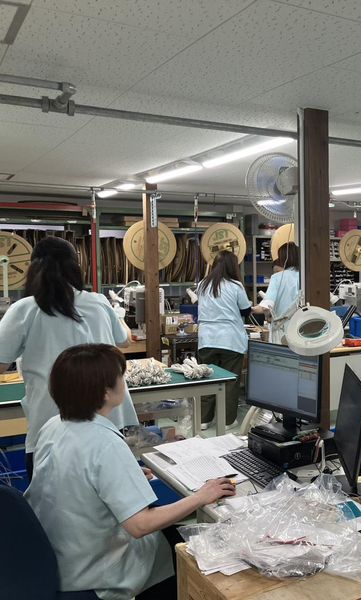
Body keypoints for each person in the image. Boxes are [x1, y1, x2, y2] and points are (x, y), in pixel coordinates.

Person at [25, 344, 235, 599]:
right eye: (120, 376)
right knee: (195, 550)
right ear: (105, 391)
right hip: (95, 571)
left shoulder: (53, 426)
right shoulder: (104, 443)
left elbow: (74, 479)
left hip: (59, 555)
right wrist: (201, 497)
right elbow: (140, 525)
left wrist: (123, 479)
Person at [0, 237, 137, 479]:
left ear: (33, 270)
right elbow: (125, 339)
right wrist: (120, 317)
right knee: (112, 496)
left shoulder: (25, 309)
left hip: (52, 427)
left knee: (52, 500)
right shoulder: (98, 302)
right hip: (108, 424)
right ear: (75, 268)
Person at [197, 249, 252, 428]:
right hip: (230, 340)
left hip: (207, 339)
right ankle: (228, 421)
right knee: (229, 382)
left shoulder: (202, 285)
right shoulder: (236, 286)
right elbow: (246, 311)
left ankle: (204, 420)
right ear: (233, 266)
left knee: (207, 380)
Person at [254, 241, 300, 344]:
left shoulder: (277, 278)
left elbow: (266, 306)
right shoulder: (306, 275)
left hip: (283, 331)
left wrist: (251, 310)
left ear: (283, 258)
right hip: (303, 330)